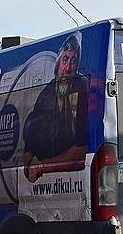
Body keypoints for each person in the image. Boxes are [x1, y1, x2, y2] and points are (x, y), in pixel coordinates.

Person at [22, 32, 89, 183]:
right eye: (65, 59)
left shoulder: (83, 88)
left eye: (73, 61)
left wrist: (42, 166)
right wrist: (29, 165)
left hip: (74, 181)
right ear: (58, 62)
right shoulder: (46, 93)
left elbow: (81, 149)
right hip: (45, 184)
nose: (67, 68)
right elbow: (29, 145)